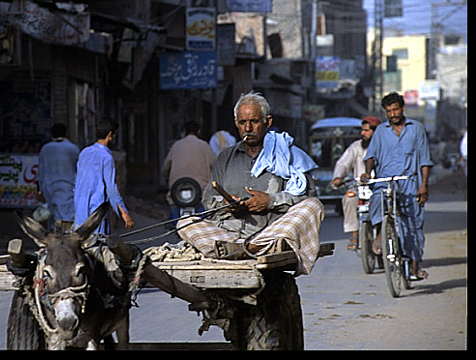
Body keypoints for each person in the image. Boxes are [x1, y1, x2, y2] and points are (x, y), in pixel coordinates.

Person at [177, 92, 324, 276]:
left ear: (267, 122)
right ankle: (240, 249)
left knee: (313, 206)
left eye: (254, 121)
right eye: (242, 123)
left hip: (270, 235)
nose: (248, 128)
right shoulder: (224, 158)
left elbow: (307, 198)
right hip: (228, 236)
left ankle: (252, 248)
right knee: (185, 222)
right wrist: (225, 205)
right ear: (236, 123)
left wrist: (271, 201)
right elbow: (208, 200)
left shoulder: (288, 154)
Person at [361, 92, 433, 280]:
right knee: (377, 201)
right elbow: (370, 156)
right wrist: (368, 173)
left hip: (410, 183)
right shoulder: (380, 131)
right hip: (385, 181)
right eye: (388, 111)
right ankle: (381, 233)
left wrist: (423, 186)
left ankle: (414, 266)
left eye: (395, 110)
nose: (392, 114)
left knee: (413, 225)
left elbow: (425, 160)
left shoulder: (416, 129)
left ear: (402, 109)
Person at [74, 117, 134, 234]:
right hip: (96, 210)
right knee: (97, 245)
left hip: (80, 208)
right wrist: (124, 213)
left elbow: (77, 182)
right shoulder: (107, 157)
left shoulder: (84, 152)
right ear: (110, 135)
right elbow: (111, 189)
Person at [331, 116, 381, 250]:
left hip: (380, 185)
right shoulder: (356, 146)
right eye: (362, 130)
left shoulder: (384, 145)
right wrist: (338, 177)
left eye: (366, 131)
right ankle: (354, 232)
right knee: (349, 197)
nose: (362, 133)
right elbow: (343, 163)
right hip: (360, 186)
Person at [161, 120, 217, 215]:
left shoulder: (176, 145)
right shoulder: (204, 146)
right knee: (205, 220)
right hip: (200, 193)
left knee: (174, 217)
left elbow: (164, 169)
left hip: (177, 192)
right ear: (198, 131)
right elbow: (216, 167)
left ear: (184, 131)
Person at [37, 123, 80, 229]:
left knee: (52, 217)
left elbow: (40, 172)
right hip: (68, 189)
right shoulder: (72, 148)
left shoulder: (45, 149)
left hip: (49, 189)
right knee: (67, 219)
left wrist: (39, 191)